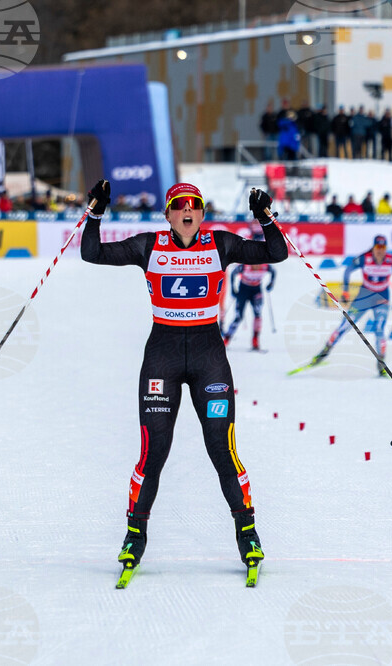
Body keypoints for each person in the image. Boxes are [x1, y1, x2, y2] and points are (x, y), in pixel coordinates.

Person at [81, 179, 288, 579]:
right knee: (153, 452)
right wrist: (96, 212)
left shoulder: (220, 244)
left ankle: (247, 534)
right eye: (179, 205)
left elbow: (276, 252)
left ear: (203, 213)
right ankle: (134, 536)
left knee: (222, 450)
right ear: (168, 214)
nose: (187, 209)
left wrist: (265, 217)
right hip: (163, 358)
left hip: (210, 359)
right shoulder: (148, 245)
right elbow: (92, 253)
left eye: (194, 203)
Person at [308, 235, 392, 376]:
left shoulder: (391, 260)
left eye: (383, 247)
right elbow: (348, 270)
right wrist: (345, 291)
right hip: (363, 297)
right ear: (373, 248)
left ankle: (381, 365)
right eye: (378, 247)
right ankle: (324, 353)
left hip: (381, 299)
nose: (380, 251)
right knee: (345, 325)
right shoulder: (364, 258)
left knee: (379, 329)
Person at [222, 225, 276, 351]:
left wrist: (270, 284)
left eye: (258, 264)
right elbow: (233, 274)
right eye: (254, 264)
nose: (256, 266)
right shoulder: (245, 266)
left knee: (258, 314)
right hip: (244, 289)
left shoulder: (265, 266)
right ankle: (226, 340)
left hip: (256, 290)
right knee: (238, 316)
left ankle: (255, 341)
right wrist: (234, 289)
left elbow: (273, 273)